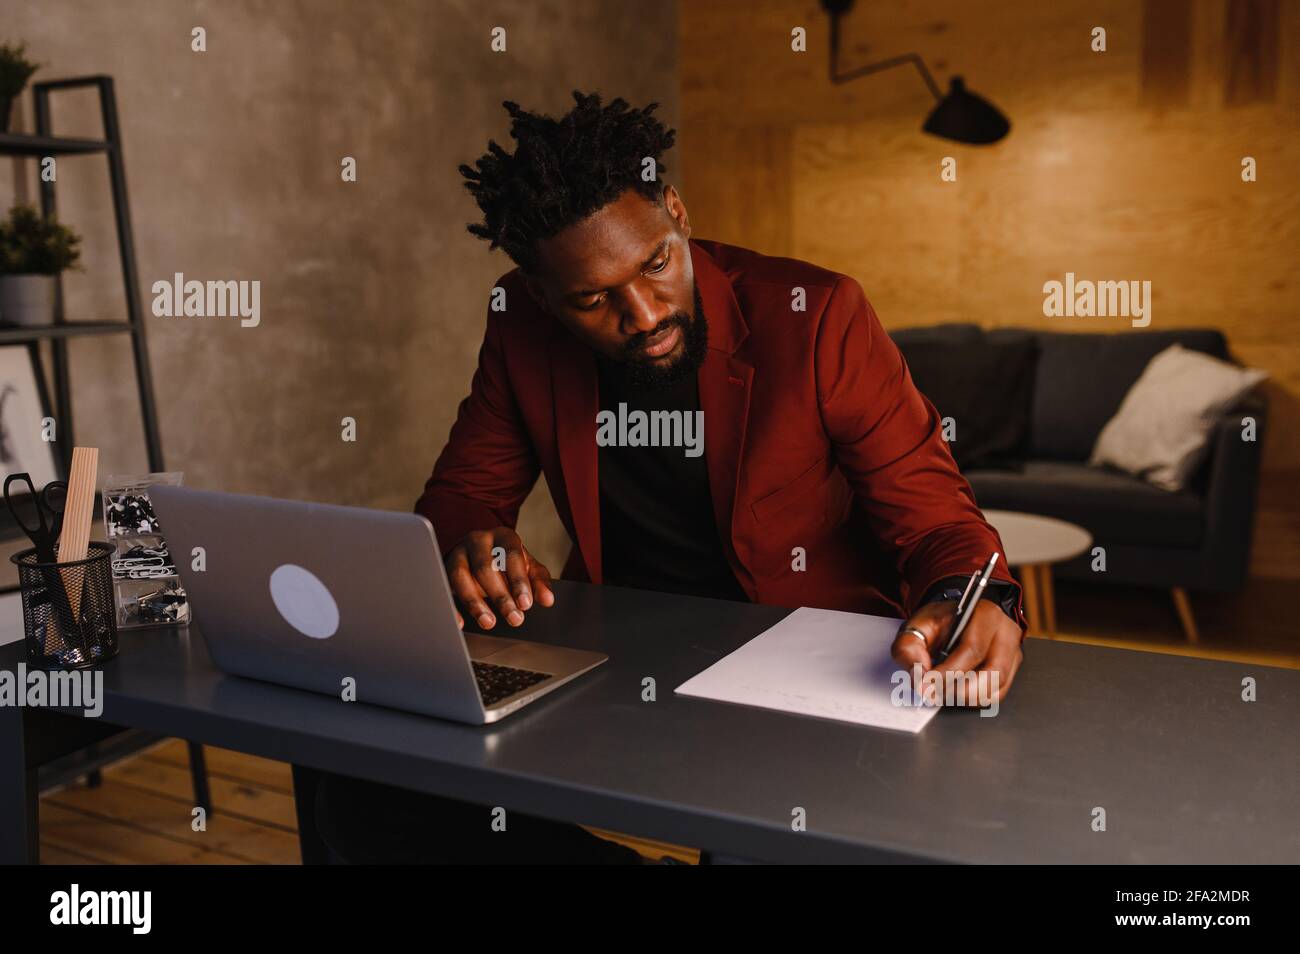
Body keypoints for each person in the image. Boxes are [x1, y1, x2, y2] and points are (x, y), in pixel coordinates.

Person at [317, 91, 1026, 864]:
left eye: (656, 264)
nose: (644, 314)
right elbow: (461, 495)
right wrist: (473, 543)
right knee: (361, 779)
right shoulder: (519, 323)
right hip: (618, 654)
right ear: (543, 294)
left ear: (678, 214)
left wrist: (971, 596)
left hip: (802, 668)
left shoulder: (816, 317)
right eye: (591, 299)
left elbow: (935, 518)